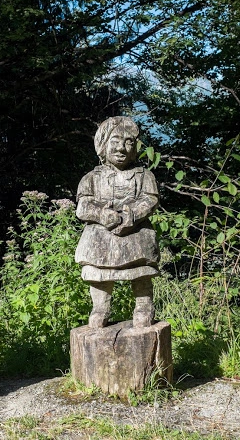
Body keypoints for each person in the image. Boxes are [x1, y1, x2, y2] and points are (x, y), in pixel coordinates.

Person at [75, 116, 160, 328]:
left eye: (128, 142)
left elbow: (150, 200)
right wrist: (101, 215)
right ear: (103, 145)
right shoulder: (91, 178)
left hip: (135, 232)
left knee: (141, 271)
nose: (121, 148)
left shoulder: (144, 176)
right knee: (99, 273)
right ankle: (100, 307)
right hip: (101, 235)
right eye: (115, 141)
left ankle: (143, 305)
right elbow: (83, 207)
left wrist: (133, 215)